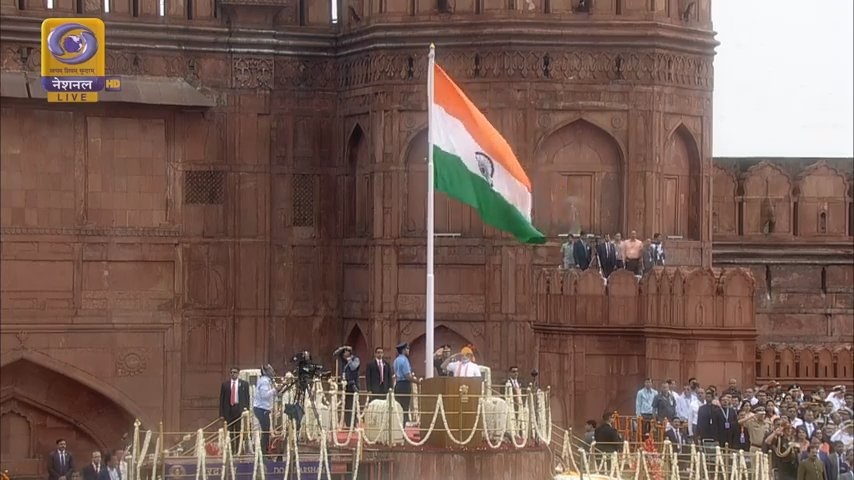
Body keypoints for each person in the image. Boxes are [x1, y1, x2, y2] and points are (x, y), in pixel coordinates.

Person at [253, 363, 284, 455]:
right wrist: (275, 390)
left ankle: (265, 451)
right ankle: (264, 452)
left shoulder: (267, 381)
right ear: (266, 372)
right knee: (265, 431)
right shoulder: (264, 381)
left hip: (262, 409)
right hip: (261, 409)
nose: (273, 372)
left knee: (266, 431)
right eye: (271, 370)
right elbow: (264, 395)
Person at [219, 367, 250, 451]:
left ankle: (238, 449)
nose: (233, 374)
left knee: (238, 430)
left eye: (235, 372)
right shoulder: (225, 385)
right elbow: (221, 400)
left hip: (239, 409)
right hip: (228, 410)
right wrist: (221, 414)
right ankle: (231, 450)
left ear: (238, 373)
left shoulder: (244, 384)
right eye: (231, 372)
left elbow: (247, 398)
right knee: (230, 431)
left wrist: (247, 410)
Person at [393, 342, 421, 425]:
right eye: (407, 349)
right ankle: (403, 428)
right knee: (404, 407)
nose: (408, 350)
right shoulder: (404, 360)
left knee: (398, 407)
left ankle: (398, 426)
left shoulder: (396, 360)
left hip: (397, 384)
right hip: (404, 385)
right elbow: (407, 376)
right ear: (403, 350)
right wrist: (418, 382)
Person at [336, 346, 361, 427]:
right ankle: (347, 423)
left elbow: (353, 367)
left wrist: (349, 359)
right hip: (345, 386)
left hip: (353, 385)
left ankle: (353, 423)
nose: (344, 354)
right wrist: (342, 348)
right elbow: (335, 354)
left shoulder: (356, 359)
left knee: (353, 405)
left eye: (346, 352)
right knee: (347, 405)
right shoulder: (343, 360)